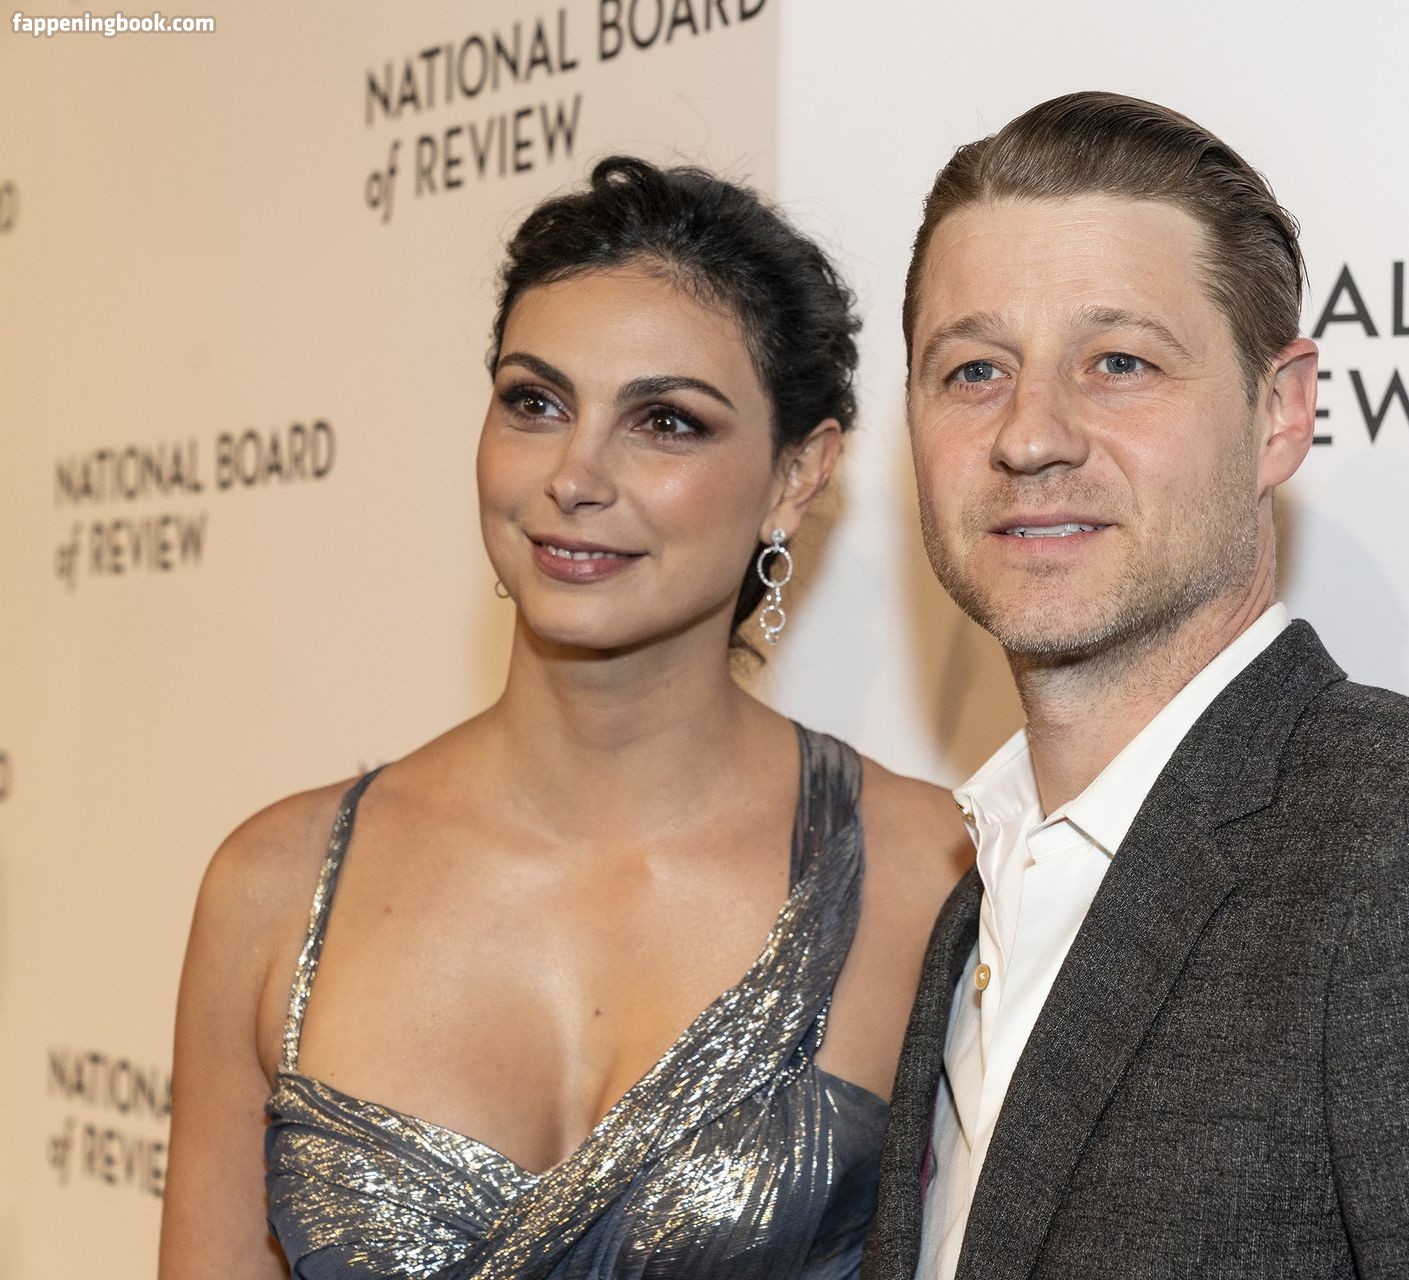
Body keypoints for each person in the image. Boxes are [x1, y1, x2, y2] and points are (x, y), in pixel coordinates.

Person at [862, 92, 1409, 1279]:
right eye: (973, 369)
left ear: (1280, 411)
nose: (1031, 435)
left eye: (1119, 362)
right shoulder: (983, 889)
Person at [159, 156, 971, 1279]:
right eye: (535, 403)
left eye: (666, 422)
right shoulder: (273, 886)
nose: (575, 475)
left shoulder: (932, 877)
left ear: (798, 473)